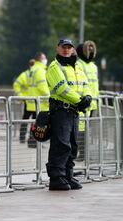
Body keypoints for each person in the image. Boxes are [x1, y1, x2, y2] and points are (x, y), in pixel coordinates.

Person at [46, 39, 92, 190]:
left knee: (72, 145)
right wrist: (80, 100)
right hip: (61, 110)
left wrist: (88, 97)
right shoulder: (54, 66)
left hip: (74, 111)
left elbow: (86, 85)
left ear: (73, 49)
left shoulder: (77, 67)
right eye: (63, 47)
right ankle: (56, 178)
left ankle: (67, 175)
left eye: (69, 47)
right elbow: (61, 88)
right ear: (57, 48)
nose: (66, 50)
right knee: (61, 144)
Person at [13, 53, 50, 147]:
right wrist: (49, 98)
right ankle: (33, 140)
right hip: (39, 101)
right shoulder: (40, 70)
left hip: (31, 101)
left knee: (31, 122)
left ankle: (31, 140)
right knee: (36, 123)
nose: (46, 59)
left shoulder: (32, 70)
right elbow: (43, 87)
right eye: (44, 58)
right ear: (40, 59)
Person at [76, 40, 99, 114]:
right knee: (81, 124)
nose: (91, 51)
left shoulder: (94, 66)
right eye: (88, 49)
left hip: (93, 101)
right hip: (83, 101)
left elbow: (96, 85)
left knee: (88, 124)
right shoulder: (78, 65)